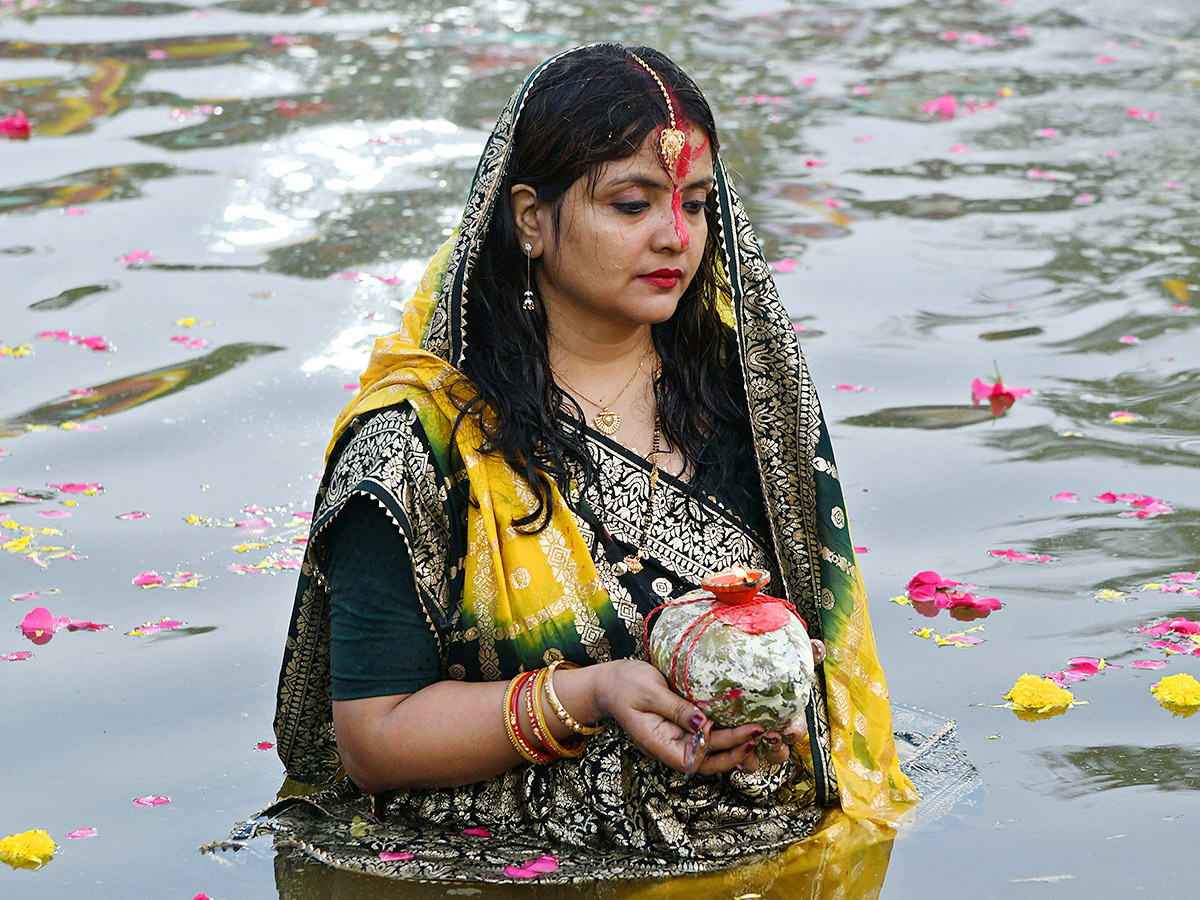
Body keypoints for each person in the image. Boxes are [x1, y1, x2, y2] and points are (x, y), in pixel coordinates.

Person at [259, 42, 917, 886]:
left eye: (697, 203)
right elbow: (374, 741)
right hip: (496, 872)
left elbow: (817, 652)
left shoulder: (741, 402)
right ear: (531, 217)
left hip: (758, 844)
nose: (676, 237)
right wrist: (592, 694)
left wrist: (769, 702)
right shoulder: (414, 445)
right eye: (632, 203)